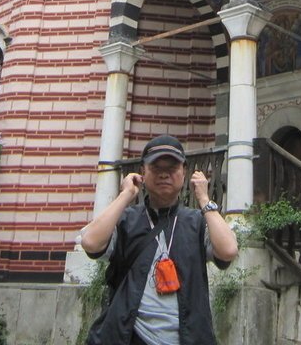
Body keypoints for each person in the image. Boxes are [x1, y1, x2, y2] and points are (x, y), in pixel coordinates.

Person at [80, 134, 239, 345]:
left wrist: (204, 199)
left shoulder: (197, 222)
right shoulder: (127, 220)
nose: (164, 174)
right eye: (156, 168)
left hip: (185, 338)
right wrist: (126, 194)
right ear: (143, 173)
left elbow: (228, 250)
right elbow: (90, 242)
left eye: (172, 168)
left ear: (184, 173)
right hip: (129, 337)